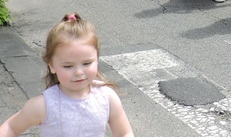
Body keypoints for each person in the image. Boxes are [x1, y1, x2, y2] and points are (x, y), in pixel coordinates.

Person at [0, 13, 133, 137]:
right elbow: (11, 127)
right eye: (68, 66)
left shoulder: (107, 97)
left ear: (97, 58)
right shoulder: (44, 105)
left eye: (87, 63)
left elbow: (124, 133)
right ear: (52, 65)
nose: (79, 72)